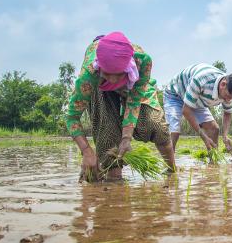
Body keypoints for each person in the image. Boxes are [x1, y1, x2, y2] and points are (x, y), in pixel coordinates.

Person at [65, 32, 176, 181]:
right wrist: (86, 151)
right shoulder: (89, 75)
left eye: (117, 74)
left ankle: (172, 171)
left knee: (154, 124)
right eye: (108, 73)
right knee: (107, 133)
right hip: (100, 86)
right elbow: (72, 116)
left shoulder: (142, 62)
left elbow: (134, 101)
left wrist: (126, 138)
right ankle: (114, 182)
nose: (112, 79)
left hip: (132, 83)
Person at [163, 63, 232, 153]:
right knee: (174, 130)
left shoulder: (230, 91)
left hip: (197, 99)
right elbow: (186, 110)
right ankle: (170, 166)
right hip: (175, 94)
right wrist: (204, 137)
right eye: (227, 96)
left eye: (231, 98)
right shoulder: (201, 80)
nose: (228, 100)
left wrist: (225, 136)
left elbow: (227, 113)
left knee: (214, 129)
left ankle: (213, 163)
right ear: (223, 84)